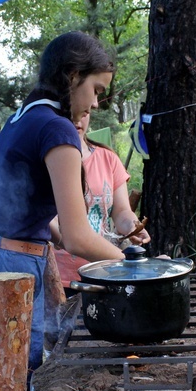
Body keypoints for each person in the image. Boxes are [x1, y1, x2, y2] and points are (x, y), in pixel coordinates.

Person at [0, 31, 143, 391]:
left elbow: (34, 216)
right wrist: (133, 268)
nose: (96, 103)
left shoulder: (26, 116)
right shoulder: (57, 130)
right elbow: (76, 235)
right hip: (2, 269)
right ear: (72, 76)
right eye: (95, 89)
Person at [52, 113, 150, 293]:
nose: (77, 119)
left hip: (103, 272)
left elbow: (121, 211)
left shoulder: (108, 158)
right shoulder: (50, 160)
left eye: (85, 112)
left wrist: (131, 225)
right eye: (72, 111)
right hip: (57, 278)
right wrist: (124, 261)